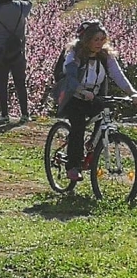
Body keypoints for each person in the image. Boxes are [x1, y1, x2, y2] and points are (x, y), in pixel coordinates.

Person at [58, 19, 137, 181]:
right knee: (78, 127)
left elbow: (118, 75)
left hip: (94, 96)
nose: (99, 43)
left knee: (105, 113)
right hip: (73, 98)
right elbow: (71, 79)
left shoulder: (105, 56)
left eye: (102, 39)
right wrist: (82, 91)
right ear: (86, 40)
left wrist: (132, 93)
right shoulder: (74, 54)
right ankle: (73, 166)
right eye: (96, 39)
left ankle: (93, 146)